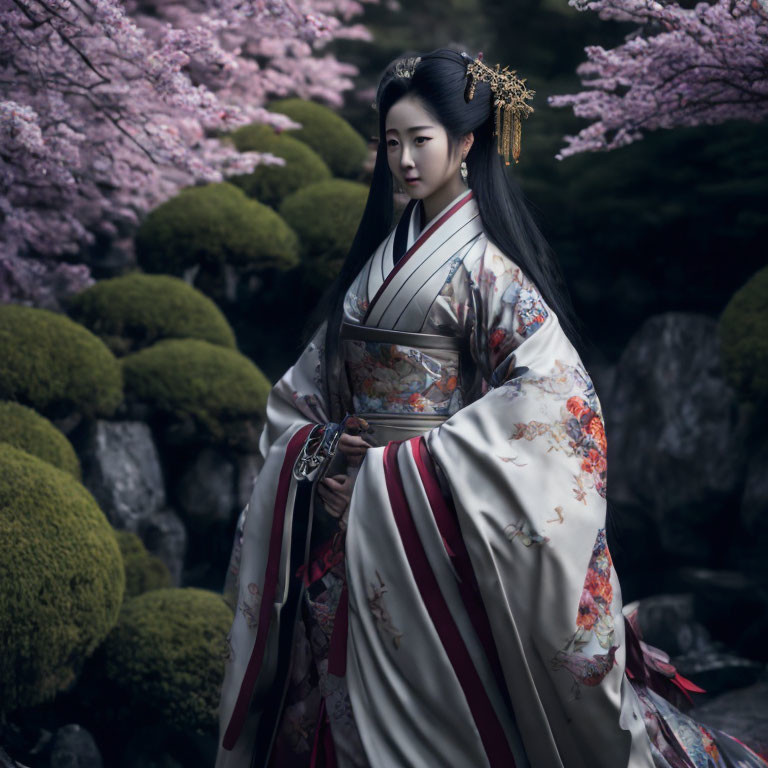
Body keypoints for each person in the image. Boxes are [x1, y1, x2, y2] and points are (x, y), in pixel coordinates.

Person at [215, 48, 768, 768]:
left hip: (424, 531)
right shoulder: (374, 268)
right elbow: (306, 392)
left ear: (466, 142)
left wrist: (387, 477)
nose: (405, 160)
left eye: (421, 140)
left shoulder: (487, 269)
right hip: (354, 522)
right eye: (391, 143)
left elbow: (558, 405)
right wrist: (320, 454)